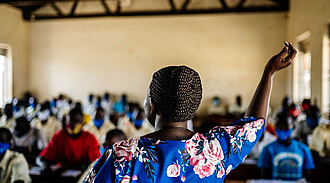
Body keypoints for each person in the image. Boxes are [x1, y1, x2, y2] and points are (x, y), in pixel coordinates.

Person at [83, 42, 297, 182]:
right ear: (193, 109)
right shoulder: (216, 150)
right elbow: (255, 124)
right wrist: (269, 73)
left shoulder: (123, 156)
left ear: (153, 106)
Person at [258, 112, 315, 181]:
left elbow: (308, 177)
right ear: (275, 128)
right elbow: (264, 178)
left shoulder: (304, 149)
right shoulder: (267, 149)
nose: (282, 130)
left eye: (286, 127)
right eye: (279, 127)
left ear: (293, 127)